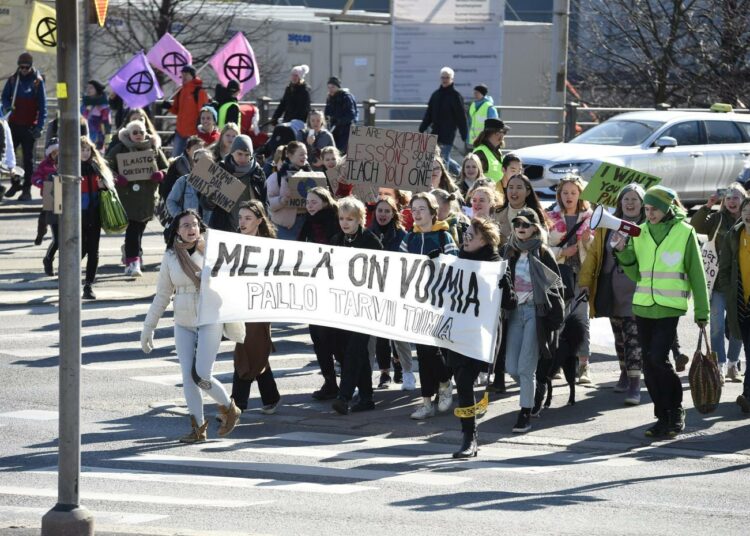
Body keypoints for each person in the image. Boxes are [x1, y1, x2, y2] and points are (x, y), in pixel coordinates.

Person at [613, 185, 709, 437]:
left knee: (658, 359)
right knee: (649, 363)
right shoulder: (640, 232)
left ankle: (675, 410)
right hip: (643, 305)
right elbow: (635, 272)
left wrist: (703, 311)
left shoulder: (685, 232)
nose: (650, 213)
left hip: (669, 307)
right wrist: (622, 252)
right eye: (647, 208)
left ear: (667, 208)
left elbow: (697, 275)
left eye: (654, 208)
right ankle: (662, 416)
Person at [140, 209, 243, 443]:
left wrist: (209, 257)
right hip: (183, 320)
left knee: (202, 375)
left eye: (194, 225)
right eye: (185, 225)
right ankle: (198, 429)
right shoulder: (170, 256)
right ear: (177, 230)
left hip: (210, 316)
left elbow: (229, 279)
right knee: (188, 376)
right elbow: (163, 294)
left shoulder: (214, 251)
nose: (191, 229)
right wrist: (149, 327)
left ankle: (229, 408)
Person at [448, 218, 515, 457]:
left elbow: (510, 303)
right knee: (461, 382)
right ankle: (469, 436)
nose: (465, 238)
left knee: (466, 380)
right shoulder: (458, 259)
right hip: (457, 331)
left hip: (481, 334)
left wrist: (503, 285)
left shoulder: (496, 264)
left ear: (484, 240)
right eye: (465, 234)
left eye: (470, 235)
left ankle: (470, 438)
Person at [579, 184, 646, 405]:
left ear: (642, 203)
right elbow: (595, 256)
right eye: (626, 199)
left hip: (637, 291)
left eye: (634, 199)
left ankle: (635, 384)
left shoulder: (647, 226)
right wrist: (586, 282)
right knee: (619, 335)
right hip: (612, 290)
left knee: (633, 337)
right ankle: (625, 372)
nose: (629, 203)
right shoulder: (608, 226)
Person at [500, 208, 564, 433]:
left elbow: (556, 287)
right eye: (517, 224)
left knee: (526, 369)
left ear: (535, 228)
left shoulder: (543, 252)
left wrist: (555, 319)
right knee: (512, 368)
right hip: (514, 313)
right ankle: (536, 390)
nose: (520, 228)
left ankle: (524, 414)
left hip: (536, 313)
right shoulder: (509, 251)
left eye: (526, 225)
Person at [400, 192, 458, 419]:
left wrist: (441, 263)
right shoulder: (409, 239)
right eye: (414, 209)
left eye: (422, 208)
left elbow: (456, 269)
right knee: (423, 352)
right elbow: (400, 266)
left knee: (432, 349)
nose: (417, 213)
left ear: (433, 212)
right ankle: (427, 400)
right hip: (417, 302)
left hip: (440, 303)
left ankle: (443, 385)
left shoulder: (445, 238)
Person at [330, 197, 384, 414]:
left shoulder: (371, 240)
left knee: (355, 350)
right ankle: (367, 397)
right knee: (354, 352)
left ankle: (343, 397)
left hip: (366, 305)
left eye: (350, 219)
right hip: (344, 305)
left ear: (360, 220)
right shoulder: (336, 240)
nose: (345, 223)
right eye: (342, 218)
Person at [691, 183, 747, 381]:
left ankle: (733, 363)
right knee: (716, 326)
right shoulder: (717, 218)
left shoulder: (747, 218)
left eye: (736, 197)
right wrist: (708, 205)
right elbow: (695, 226)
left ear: (744, 200)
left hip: (740, 284)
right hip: (717, 282)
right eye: (729, 197)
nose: (732, 201)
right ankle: (720, 365)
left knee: (737, 326)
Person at [231, 201, 282, 415]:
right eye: (241, 218)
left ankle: (237, 405)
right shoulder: (231, 243)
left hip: (260, 304)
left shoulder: (269, 246)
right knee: (256, 349)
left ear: (259, 221)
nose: (242, 222)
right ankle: (271, 397)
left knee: (246, 348)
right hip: (237, 303)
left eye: (248, 218)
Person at [547, 175, 594, 383]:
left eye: (573, 193)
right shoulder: (550, 216)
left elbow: (596, 250)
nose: (569, 196)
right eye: (565, 192)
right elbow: (544, 247)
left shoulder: (590, 217)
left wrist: (587, 241)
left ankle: (584, 365)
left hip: (582, 274)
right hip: (559, 274)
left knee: (581, 318)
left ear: (580, 195)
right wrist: (563, 251)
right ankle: (557, 363)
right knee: (559, 318)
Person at [108, 120, 169, 276]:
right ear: (128, 134)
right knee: (133, 229)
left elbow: (166, 166)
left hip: (147, 196)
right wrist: (116, 178)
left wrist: (161, 174)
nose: (138, 135)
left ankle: (135, 256)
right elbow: (106, 166)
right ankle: (133, 262)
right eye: (135, 132)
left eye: (141, 132)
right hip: (127, 196)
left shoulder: (153, 147)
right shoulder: (120, 148)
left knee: (139, 228)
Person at [297, 187, 342, 400]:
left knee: (336, 340)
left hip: (334, 288)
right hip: (313, 288)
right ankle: (330, 383)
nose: (309, 205)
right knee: (318, 338)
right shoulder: (307, 222)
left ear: (325, 202)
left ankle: (352, 383)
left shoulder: (336, 222)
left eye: (314, 201)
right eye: (307, 201)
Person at [367, 196, 416, 390]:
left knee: (399, 335)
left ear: (394, 213)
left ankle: (407, 372)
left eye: (387, 211)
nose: (383, 214)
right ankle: (384, 373)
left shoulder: (402, 235)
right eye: (380, 210)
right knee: (378, 336)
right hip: (374, 290)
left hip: (396, 290)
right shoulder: (368, 233)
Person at [717, 197, 750, 414]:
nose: (748, 214)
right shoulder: (735, 235)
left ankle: (748, 395)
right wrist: (730, 293)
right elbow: (725, 268)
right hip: (741, 304)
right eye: (746, 210)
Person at [1, 52, 47, 201]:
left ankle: (26, 189)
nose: (24, 70)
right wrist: (8, 107)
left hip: (29, 127)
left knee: (28, 160)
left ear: (31, 67)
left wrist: (39, 127)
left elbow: (42, 106)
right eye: (21, 67)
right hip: (13, 125)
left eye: (27, 67)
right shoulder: (13, 80)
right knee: (9, 158)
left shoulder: (38, 83)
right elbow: (4, 98)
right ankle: (15, 182)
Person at [79, 136, 115, 300]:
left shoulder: (97, 167)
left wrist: (104, 186)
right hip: (77, 216)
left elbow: (109, 190)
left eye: (87, 149)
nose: (85, 153)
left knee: (93, 251)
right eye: (81, 149)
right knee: (79, 249)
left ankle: (88, 285)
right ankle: (67, 276)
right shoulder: (71, 169)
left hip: (94, 215)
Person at [210, 135, 267, 232]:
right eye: (239, 154)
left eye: (247, 154)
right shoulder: (221, 169)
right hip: (223, 228)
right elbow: (205, 204)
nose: (243, 158)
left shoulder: (258, 173)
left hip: (250, 230)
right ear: (232, 153)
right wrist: (214, 195)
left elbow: (264, 203)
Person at [418, 67, 468, 176]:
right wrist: (422, 128)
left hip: (448, 133)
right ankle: (460, 173)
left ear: (452, 79)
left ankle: (445, 182)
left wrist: (465, 135)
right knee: (438, 157)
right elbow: (429, 114)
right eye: (443, 77)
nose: (445, 80)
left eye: (447, 77)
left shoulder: (456, 96)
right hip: (435, 132)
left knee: (443, 159)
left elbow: (461, 117)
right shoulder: (436, 95)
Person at [266, 141, 312, 240]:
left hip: (305, 225)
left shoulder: (311, 175)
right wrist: (282, 200)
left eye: (306, 154)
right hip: (283, 228)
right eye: (301, 154)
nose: (305, 157)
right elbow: (270, 203)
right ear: (290, 155)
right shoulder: (276, 177)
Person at [165, 65, 210, 157]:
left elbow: (204, 113)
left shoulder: (199, 92)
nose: (183, 77)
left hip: (194, 134)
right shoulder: (181, 91)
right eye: (182, 74)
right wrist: (168, 107)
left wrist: (201, 132)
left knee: (192, 159)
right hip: (180, 132)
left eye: (186, 74)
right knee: (175, 159)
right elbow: (177, 110)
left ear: (193, 75)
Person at [495, 173, 548, 244]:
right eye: (510, 187)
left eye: (519, 187)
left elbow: (543, 241)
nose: (514, 191)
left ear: (528, 192)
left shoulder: (536, 214)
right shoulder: (497, 213)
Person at [32, 139, 58, 276]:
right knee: (45, 219)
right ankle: (41, 234)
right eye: (54, 152)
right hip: (49, 197)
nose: (56, 154)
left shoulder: (68, 162)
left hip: (64, 200)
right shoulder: (45, 164)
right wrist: (43, 183)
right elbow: (35, 177)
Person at [167, 149, 213, 219]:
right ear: (193, 163)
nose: (203, 163)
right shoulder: (183, 181)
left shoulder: (218, 184)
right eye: (198, 160)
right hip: (190, 226)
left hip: (211, 227)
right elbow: (171, 201)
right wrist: (181, 217)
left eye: (207, 161)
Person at [324, 77, 358, 153]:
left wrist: (339, 121)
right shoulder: (330, 98)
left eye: (333, 87)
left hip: (345, 129)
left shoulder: (346, 97)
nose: (330, 89)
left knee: (341, 151)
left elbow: (351, 114)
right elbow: (327, 112)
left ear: (338, 87)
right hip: (334, 129)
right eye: (329, 87)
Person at [472, 118, 509, 184]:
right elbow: (475, 179)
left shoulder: (497, 150)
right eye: (504, 132)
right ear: (497, 134)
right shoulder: (480, 153)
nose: (504, 136)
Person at [81, 80, 111, 151]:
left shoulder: (103, 106)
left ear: (97, 90)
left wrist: (107, 140)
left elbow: (107, 124)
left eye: (91, 88)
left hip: (98, 137)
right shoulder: (84, 104)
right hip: (83, 135)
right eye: (87, 88)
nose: (88, 90)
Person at [467, 84, 499, 150]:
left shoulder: (489, 107)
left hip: (485, 139)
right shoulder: (473, 105)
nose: (474, 94)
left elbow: (494, 123)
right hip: (474, 139)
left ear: (482, 93)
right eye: (474, 92)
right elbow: (470, 122)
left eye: (477, 92)